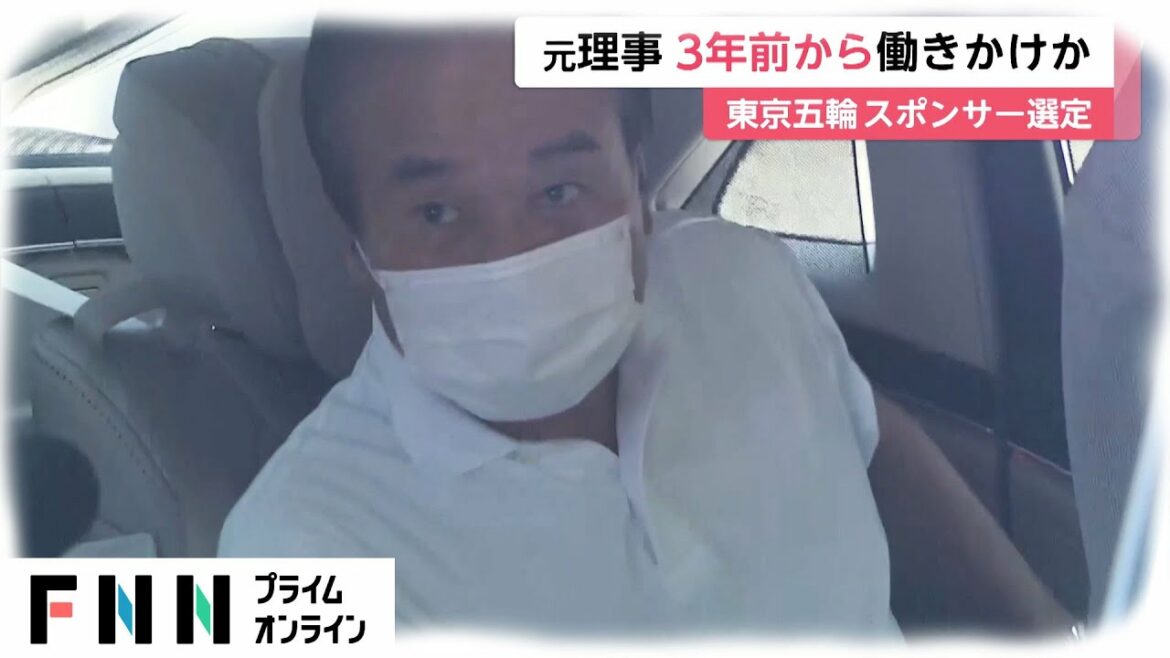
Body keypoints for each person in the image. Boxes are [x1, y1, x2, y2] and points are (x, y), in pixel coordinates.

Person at [220, 21, 1074, 636]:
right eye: (437, 211)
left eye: (559, 191)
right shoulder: (298, 554)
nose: (513, 257)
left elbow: (875, 449)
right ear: (358, 248)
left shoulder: (741, 280)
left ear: (637, 185)